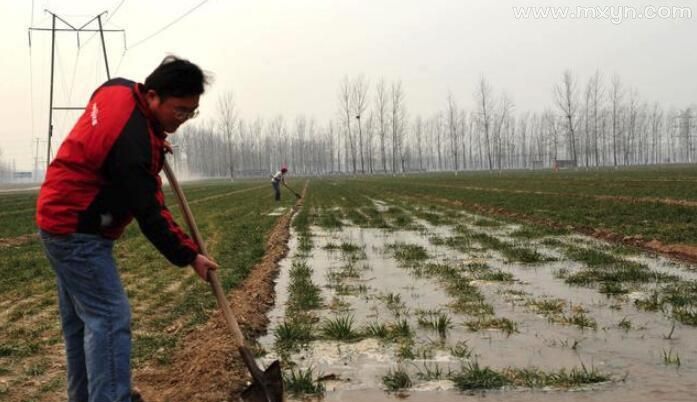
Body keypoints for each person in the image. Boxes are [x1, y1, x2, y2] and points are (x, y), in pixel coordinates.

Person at [36, 56, 219, 402]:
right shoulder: (133, 144)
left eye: (190, 112)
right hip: (77, 230)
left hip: (57, 215)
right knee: (108, 317)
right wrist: (190, 255)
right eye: (179, 111)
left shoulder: (117, 88)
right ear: (152, 97)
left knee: (82, 325)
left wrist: (153, 136)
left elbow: (105, 111)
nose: (182, 121)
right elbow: (151, 215)